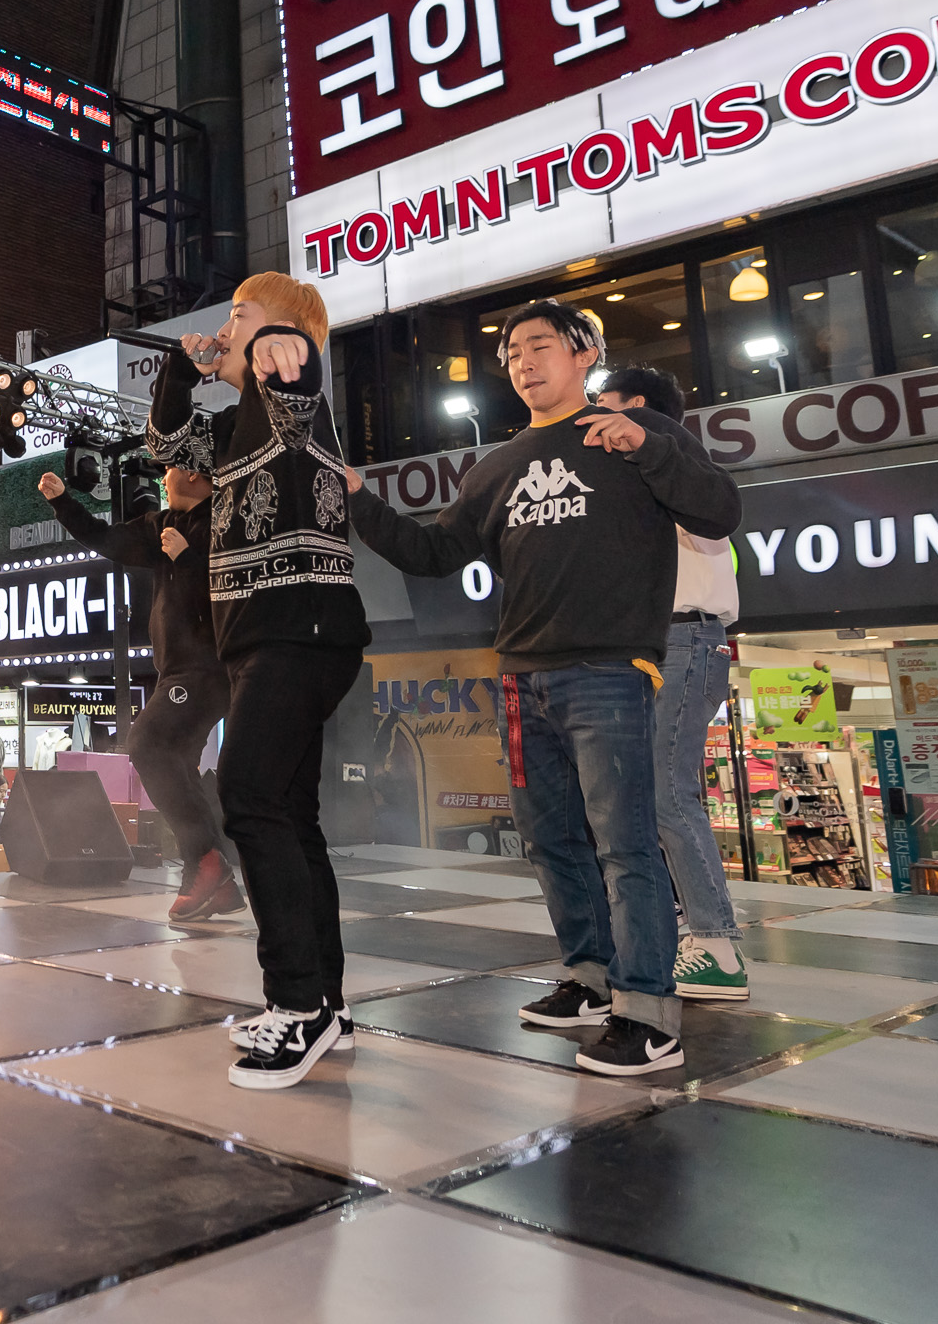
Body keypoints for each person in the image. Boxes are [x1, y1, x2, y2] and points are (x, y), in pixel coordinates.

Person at [347, 301, 741, 1077]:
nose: (523, 362)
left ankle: (649, 1015)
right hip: (522, 676)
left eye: (538, 346)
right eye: (511, 353)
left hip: (611, 670)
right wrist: (359, 497)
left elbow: (719, 509)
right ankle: (590, 978)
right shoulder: (494, 465)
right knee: (551, 839)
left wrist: (645, 446)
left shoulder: (640, 435)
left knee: (626, 844)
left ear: (584, 351)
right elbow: (432, 552)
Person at [149, 273, 369, 1091]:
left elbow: (301, 373)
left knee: (247, 795)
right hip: (267, 640)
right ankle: (329, 1004)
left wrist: (292, 347)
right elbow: (169, 451)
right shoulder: (237, 422)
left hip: (296, 631)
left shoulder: (287, 391)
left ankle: (297, 1004)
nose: (228, 324)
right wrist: (180, 372)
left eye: (239, 313)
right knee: (290, 816)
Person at [598, 365, 749, 1003]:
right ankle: (691, 929)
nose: (595, 420)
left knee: (666, 790)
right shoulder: (663, 472)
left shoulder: (671, 457)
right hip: (669, 641)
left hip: (687, 637)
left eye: (604, 406)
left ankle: (716, 944)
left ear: (637, 408)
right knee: (647, 792)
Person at [39, 459, 240, 921]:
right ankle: (213, 874)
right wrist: (63, 502)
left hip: (207, 669)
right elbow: (110, 540)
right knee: (176, 764)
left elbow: (231, 597)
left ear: (195, 474)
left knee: (146, 742)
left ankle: (207, 862)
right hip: (177, 671)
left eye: (170, 467)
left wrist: (187, 560)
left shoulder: (224, 520)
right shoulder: (161, 524)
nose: (162, 476)